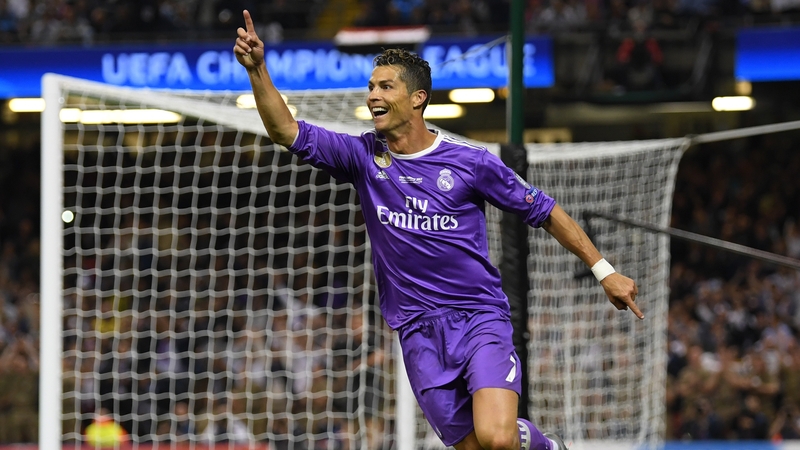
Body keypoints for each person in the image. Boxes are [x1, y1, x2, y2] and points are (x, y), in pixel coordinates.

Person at [233, 9, 642, 450]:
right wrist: (258, 70)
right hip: (418, 331)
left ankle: (546, 445)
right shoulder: (362, 157)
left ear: (417, 98)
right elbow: (285, 130)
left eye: (385, 86)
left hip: (479, 318)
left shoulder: (471, 163)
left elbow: (543, 210)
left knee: (498, 439)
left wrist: (604, 271)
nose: (373, 95)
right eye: (371, 86)